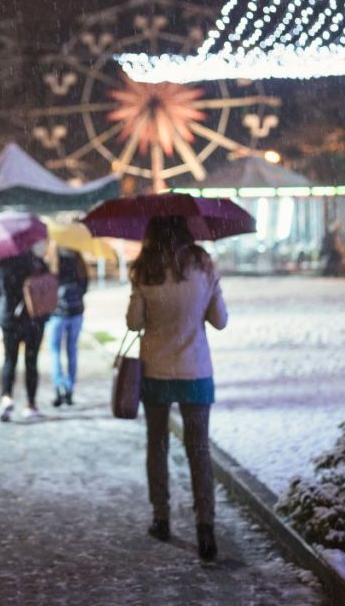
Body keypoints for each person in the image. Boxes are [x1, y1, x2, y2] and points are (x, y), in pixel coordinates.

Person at [126, 215, 228, 562]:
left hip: (156, 370)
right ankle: (205, 528)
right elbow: (220, 321)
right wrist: (212, 290)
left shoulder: (145, 271)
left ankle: (162, 517)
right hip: (196, 371)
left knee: (157, 444)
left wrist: (138, 294)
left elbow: (134, 322)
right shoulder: (204, 267)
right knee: (198, 449)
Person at [0, 250, 48, 421]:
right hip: (33, 319)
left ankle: (6, 398)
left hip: (10, 319)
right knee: (31, 362)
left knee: (9, 360)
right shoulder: (37, 263)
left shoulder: (3, 264)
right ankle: (31, 404)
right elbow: (48, 286)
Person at [46, 247, 88, 407]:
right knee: (72, 350)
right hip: (76, 312)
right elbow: (84, 288)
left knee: (55, 350)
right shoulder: (79, 262)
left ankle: (58, 386)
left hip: (57, 313)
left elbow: (48, 287)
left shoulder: (53, 262)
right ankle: (69, 390)